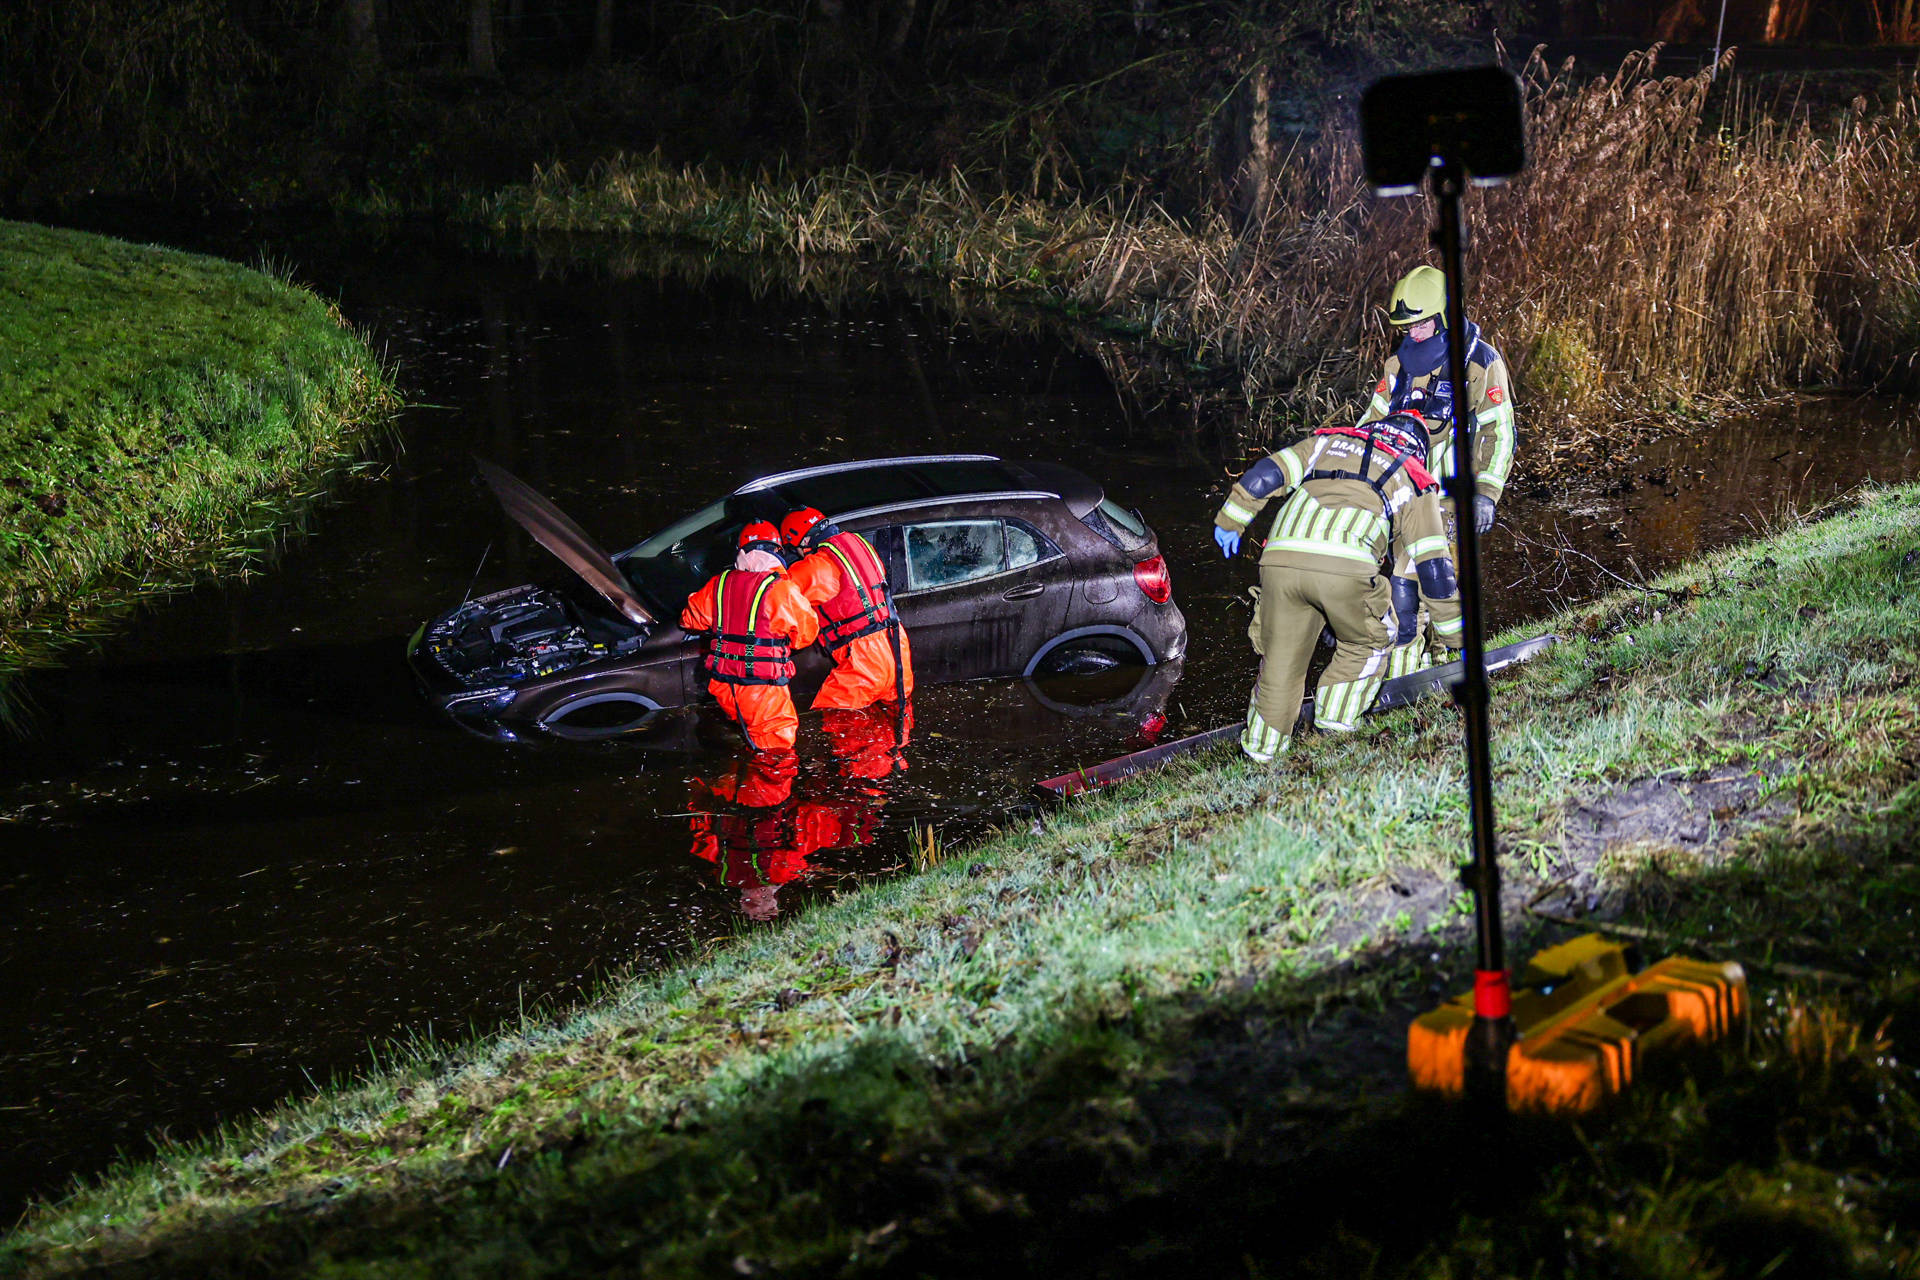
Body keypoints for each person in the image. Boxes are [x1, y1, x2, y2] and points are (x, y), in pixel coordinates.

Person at [1212, 409, 1465, 763]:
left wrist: (1231, 519)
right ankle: (1334, 726)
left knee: (1280, 663)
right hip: (1346, 567)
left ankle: (1261, 754)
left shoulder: (1327, 442)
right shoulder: (1414, 478)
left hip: (1280, 562)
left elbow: (1267, 474)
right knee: (1371, 641)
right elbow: (1435, 571)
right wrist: (1455, 639)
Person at [1358, 265, 1517, 543]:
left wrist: (1486, 494)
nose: (1413, 334)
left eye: (1421, 324)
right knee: (1401, 581)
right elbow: (1370, 425)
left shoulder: (1480, 364)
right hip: (1399, 497)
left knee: (1438, 583)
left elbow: (1499, 433)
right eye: (1409, 326)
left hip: (1450, 502)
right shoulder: (1397, 366)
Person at [679, 520, 820, 753]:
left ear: (742, 552)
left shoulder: (719, 584)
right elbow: (806, 634)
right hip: (763, 692)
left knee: (748, 743)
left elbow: (689, 618)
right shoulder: (781, 589)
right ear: (777, 551)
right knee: (776, 755)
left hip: (725, 688)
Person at [779, 507, 914, 715]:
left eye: (793, 548)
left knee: (838, 721)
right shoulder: (860, 544)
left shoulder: (818, 564)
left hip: (864, 658)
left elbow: (777, 597)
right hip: (896, 646)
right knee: (896, 720)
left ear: (804, 542)